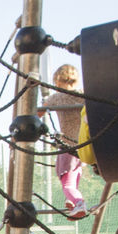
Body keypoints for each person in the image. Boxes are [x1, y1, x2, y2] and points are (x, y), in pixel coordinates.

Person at [41, 63, 88, 219]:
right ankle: (72, 200)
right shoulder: (84, 94)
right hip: (84, 144)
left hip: (68, 144)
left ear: (58, 81)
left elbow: (39, 112)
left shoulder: (58, 97)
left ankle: (79, 202)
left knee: (66, 182)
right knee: (73, 177)